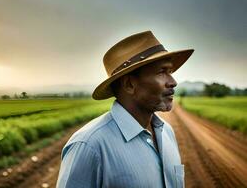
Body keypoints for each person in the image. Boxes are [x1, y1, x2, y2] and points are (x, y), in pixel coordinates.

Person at [56, 30, 194, 188]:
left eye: (170, 72)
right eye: (162, 72)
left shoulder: (166, 132)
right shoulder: (89, 146)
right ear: (129, 84)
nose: (173, 82)